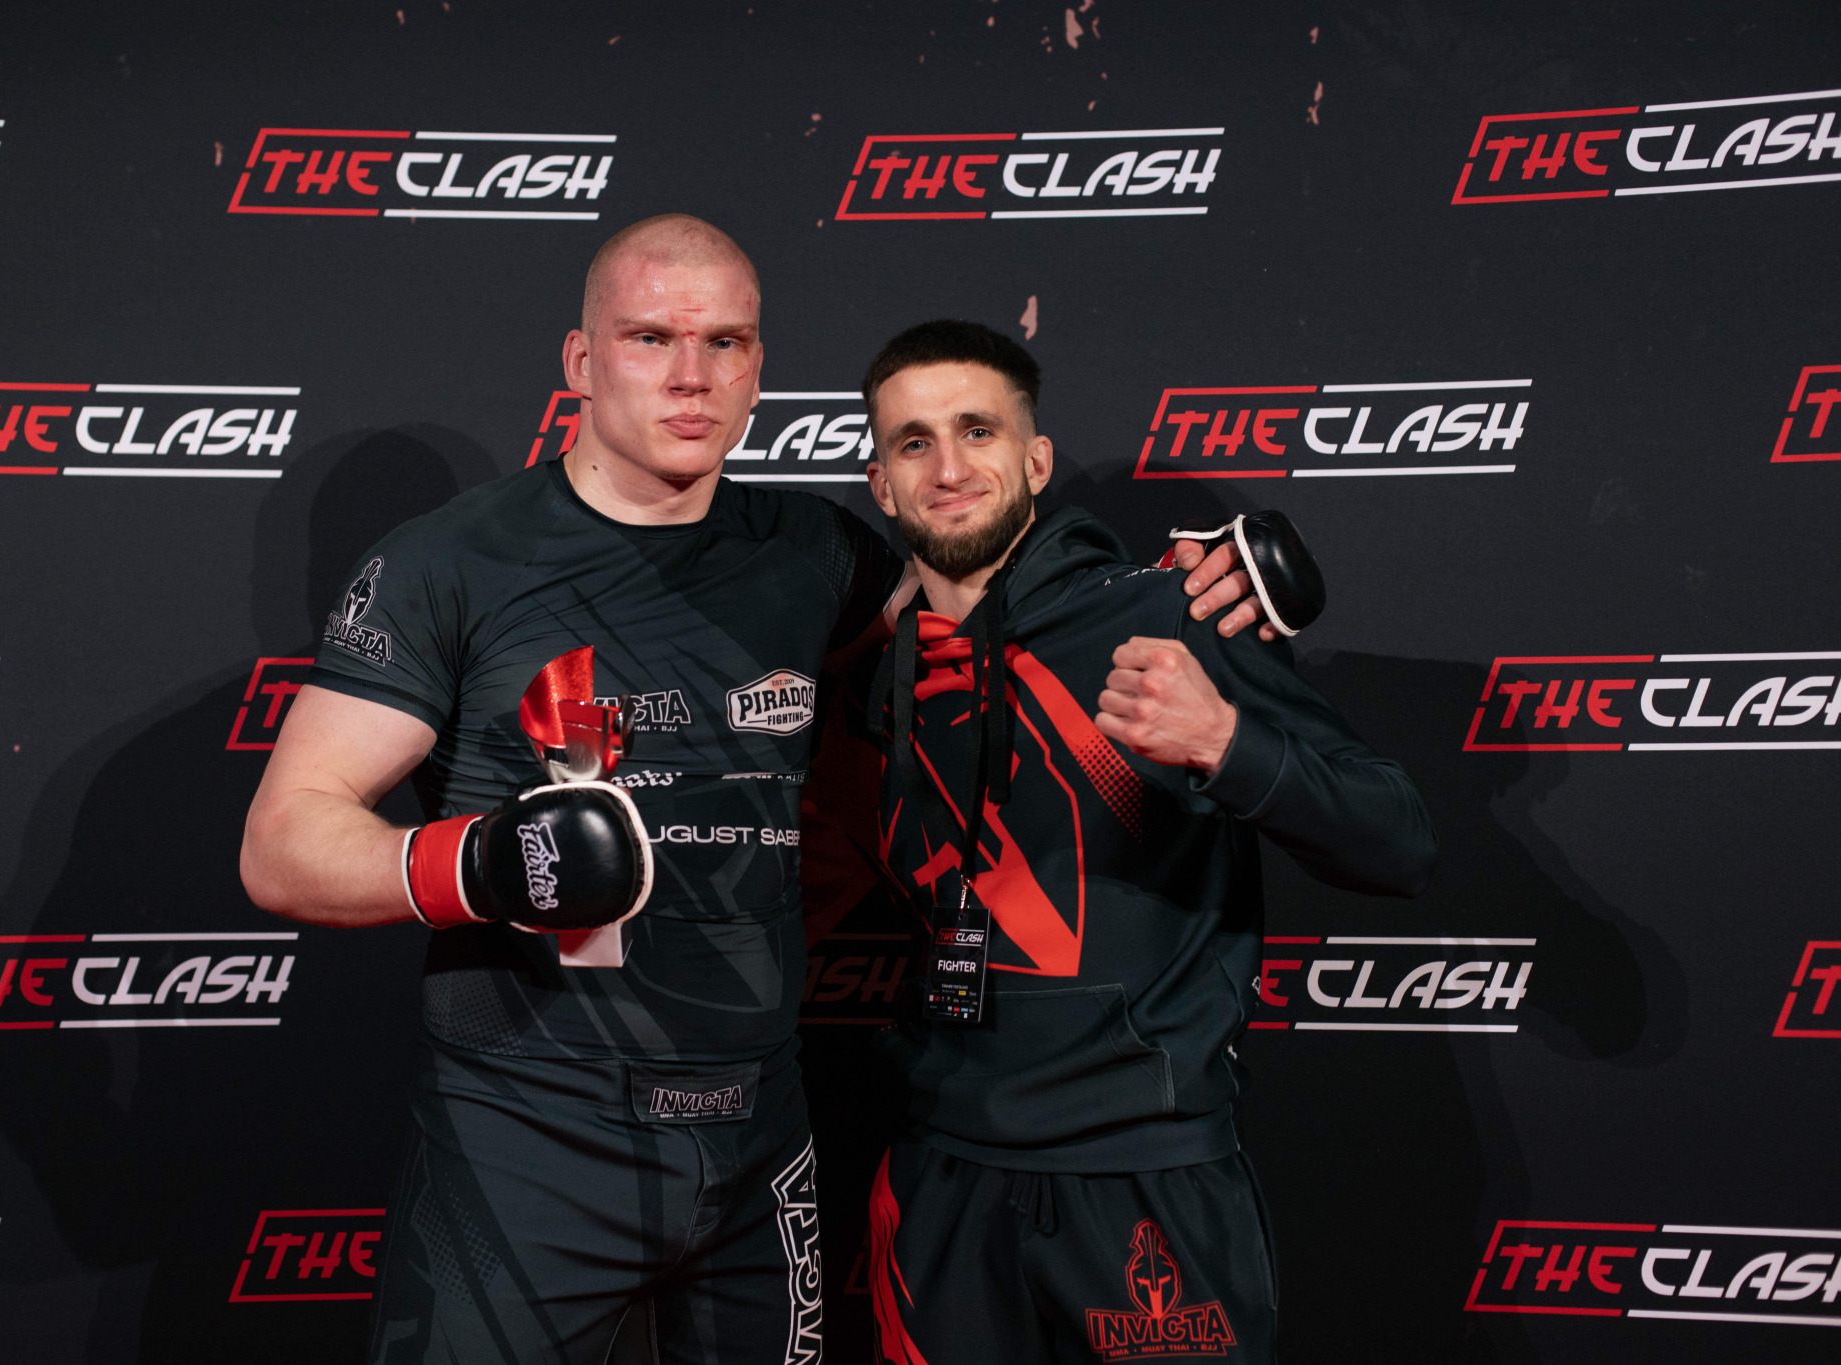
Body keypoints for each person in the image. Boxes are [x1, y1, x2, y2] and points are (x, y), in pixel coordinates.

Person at [238, 216, 1282, 1365]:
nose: (690, 376)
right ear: (580, 361)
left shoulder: (813, 551)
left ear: (756, 369)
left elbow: (996, 621)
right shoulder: (451, 563)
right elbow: (284, 841)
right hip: (525, 1135)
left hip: (755, 1135)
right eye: (649, 338)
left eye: (724, 343)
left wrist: (1182, 593)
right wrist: (483, 864)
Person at [854, 321, 1437, 1365]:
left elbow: (1398, 843)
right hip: (941, 1177)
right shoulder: (883, 677)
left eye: (978, 431)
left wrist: (1225, 742)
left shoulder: (1172, 613)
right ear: (880, 485)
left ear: (1035, 460)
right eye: (913, 442)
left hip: (1142, 1178)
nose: (947, 468)